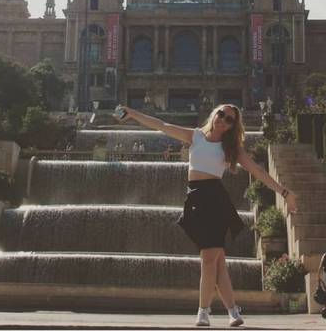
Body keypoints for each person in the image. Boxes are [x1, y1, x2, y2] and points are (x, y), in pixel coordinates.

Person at [115, 104, 297, 327]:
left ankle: (203, 311)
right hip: (195, 201)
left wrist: (285, 193)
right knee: (217, 261)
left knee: (209, 258)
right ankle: (232, 310)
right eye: (221, 114)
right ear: (214, 113)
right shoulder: (196, 136)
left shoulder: (232, 148)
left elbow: (257, 171)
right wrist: (133, 113)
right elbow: (161, 125)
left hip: (216, 201)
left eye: (229, 119)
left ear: (232, 126)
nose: (223, 119)